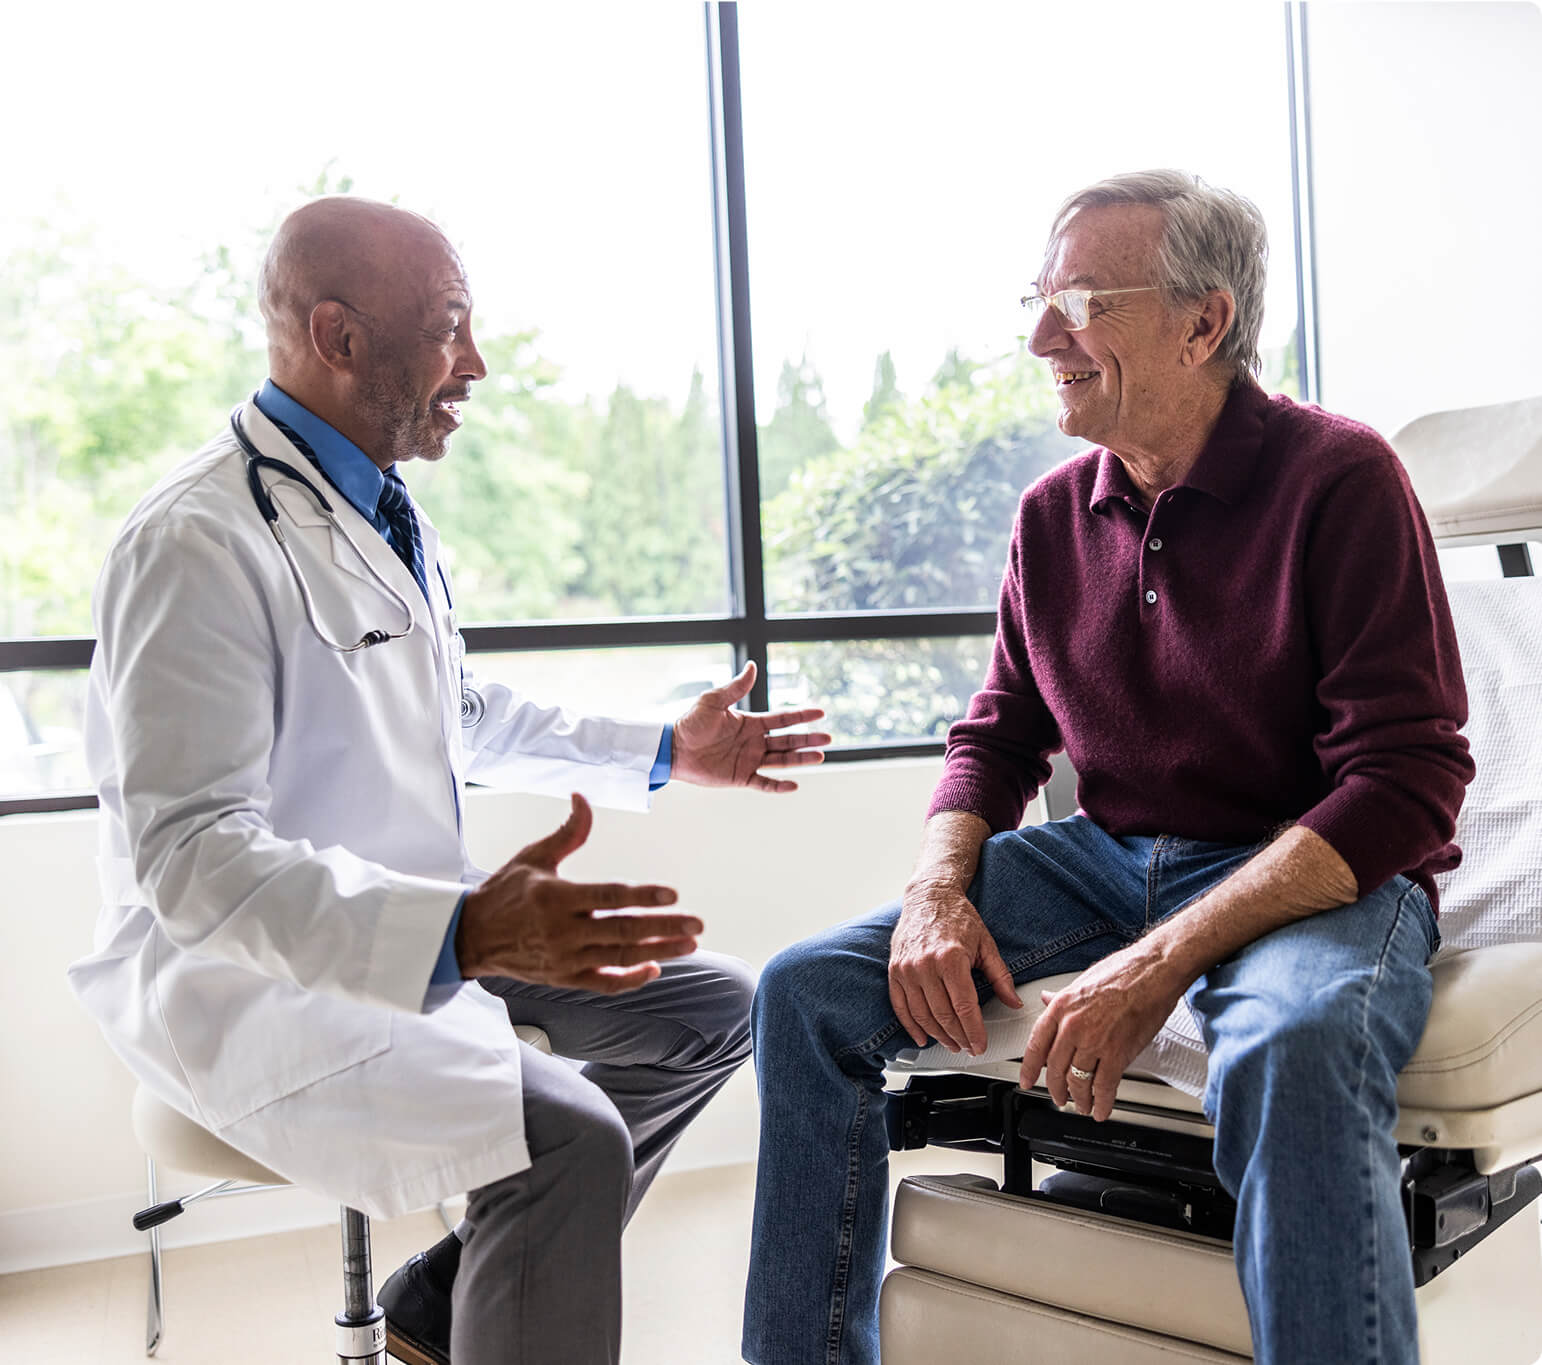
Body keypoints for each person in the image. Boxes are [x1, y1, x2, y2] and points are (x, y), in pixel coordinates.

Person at [67, 196, 829, 1365]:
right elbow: (193, 862)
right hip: (246, 978)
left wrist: (669, 751)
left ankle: (451, 1295)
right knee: (569, 1142)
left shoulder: (377, 506)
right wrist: (462, 933)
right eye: (448, 329)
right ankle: (498, 1278)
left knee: (717, 1008)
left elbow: (454, 714)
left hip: (409, 919)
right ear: (338, 337)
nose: (474, 363)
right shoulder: (197, 540)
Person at [742, 169, 1474, 1365]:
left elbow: (1406, 780)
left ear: (1203, 323)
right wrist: (935, 894)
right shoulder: (1050, 517)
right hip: (1102, 863)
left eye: (1081, 304)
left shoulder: (1340, 478)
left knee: (1293, 1050)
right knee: (806, 992)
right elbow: (998, 736)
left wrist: (1161, 960)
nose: (1043, 339)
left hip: (1308, 873)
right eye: (1037, 302)